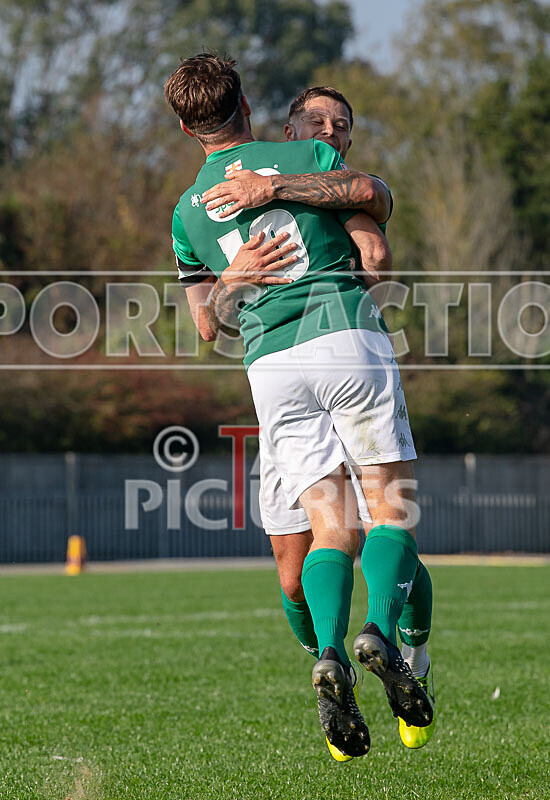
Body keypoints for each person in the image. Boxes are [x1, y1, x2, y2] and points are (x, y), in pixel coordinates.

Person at [165, 54, 433, 759]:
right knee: (391, 508)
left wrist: (228, 280)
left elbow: (206, 324)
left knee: (330, 529)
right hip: (343, 335)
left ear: (186, 127)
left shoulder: (184, 214)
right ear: (250, 106)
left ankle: (331, 656)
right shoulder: (303, 154)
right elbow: (371, 200)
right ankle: (378, 632)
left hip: (271, 368)